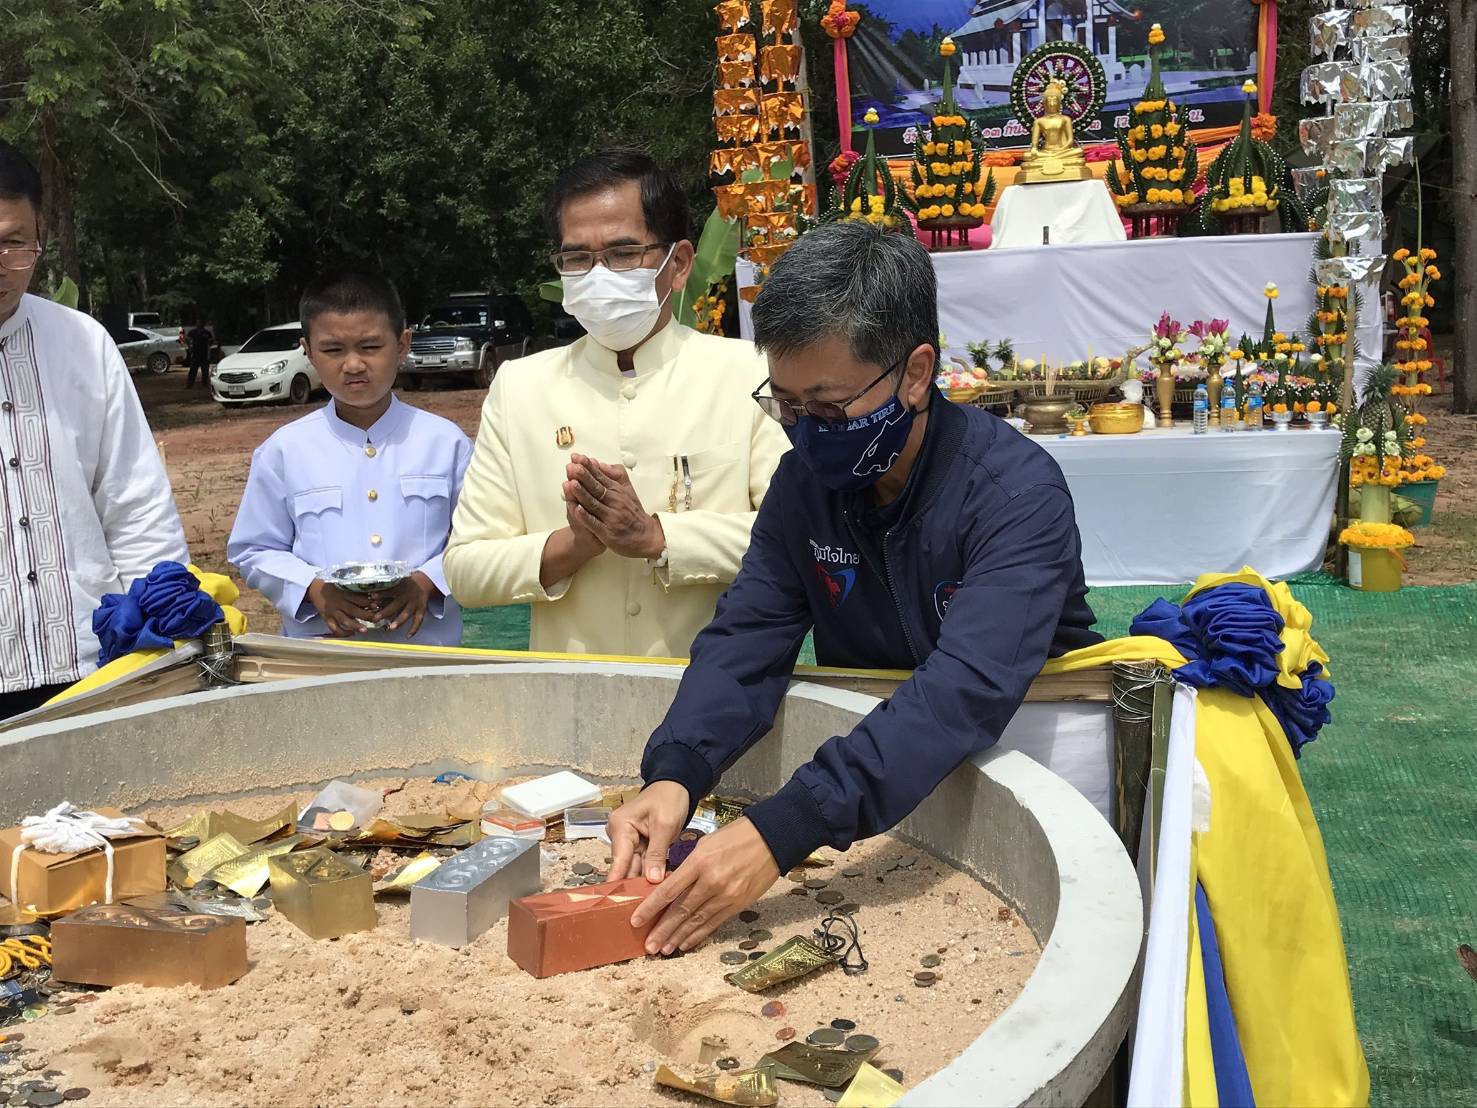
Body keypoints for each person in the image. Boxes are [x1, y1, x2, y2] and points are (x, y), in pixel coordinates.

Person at [607, 221, 1102, 955]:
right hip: (878, 783)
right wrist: (675, 771)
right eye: (786, 407)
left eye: (830, 409)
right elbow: (748, 632)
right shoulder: (803, 485)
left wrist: (779, 832)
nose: (805, 433)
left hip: (1033, 759)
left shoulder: (1014, 494)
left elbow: (961, 692)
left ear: (913, 371)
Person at [444, 150, 788, 657]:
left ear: (680, 264)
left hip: (712, 696)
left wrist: (655, 537)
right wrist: (574, 545)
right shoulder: (521, 387)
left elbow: (794, 536)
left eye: (625, 254)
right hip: (570, 702)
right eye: (578, 258)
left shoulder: (748, 373)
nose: (598, 275)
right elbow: (467, 569)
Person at [0, 140, 189, 720]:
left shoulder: (83, 342)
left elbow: (133, 502)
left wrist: (163, 627)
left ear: (41, 237)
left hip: (89, 666)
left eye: (14, 242)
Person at [227, 271, 472, 646]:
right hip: (325, 658)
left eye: (371, 347)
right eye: (333, 350)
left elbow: (476, 538)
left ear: (403, 343)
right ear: (307, 351)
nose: (353, 365)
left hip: (427, 653)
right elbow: (254, 548)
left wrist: (428, 582)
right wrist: (314, 589)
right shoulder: (285, 450)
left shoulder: (445, 443)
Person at [185, 318, 214, 388]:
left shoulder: (206, 333)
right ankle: (189, 384)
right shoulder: (193, 332)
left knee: (205, 370)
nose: (198, 324)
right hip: (195, 353)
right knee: (193, 370)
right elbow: (187, 339)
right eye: (197, 323)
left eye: (200, 323)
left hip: (204, 354)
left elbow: (211, 341)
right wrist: (190, 348)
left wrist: (209, 348)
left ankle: (205, 384)